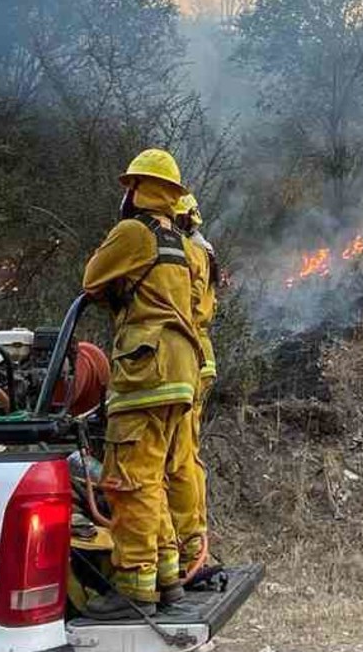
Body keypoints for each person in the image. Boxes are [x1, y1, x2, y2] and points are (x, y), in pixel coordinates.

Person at [81, 149, 206, 619]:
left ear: (138, 189)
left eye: (131, 187)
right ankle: (167, 578)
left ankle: (134, 585)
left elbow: (92, 279)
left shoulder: (134, 232)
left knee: (130, 481)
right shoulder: (181, 242)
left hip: (145, 372)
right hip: (182, 374)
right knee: (155, 480)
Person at [172, 193, 218, 580]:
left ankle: (187, 549)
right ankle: (191, 543)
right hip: (197, 355)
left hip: (185, 356)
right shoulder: (203, 249)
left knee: (180, 457)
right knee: (187, 454)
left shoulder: (184, 251)